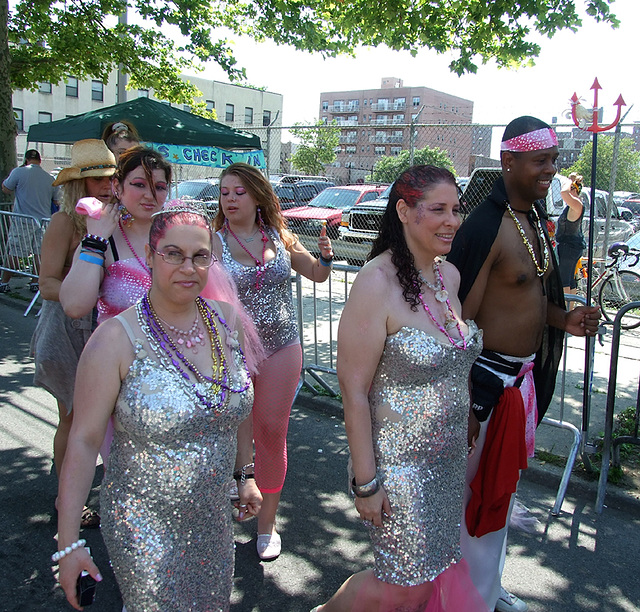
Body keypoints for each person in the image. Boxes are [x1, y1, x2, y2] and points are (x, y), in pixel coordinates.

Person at [55, 202, 261, 611]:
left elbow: (237, 404)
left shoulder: (225, 320)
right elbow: (83, 440)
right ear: (150, 256)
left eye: (200, 256)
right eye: (173, 254)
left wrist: (246, 473)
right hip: (143, 522)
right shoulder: (114, 339)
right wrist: (68, 544)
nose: (188, 267)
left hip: (212, 521)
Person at [312, 165, 485, 612]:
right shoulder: (376, 282)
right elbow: (353, 390)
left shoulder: (449, 278)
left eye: (456, 209)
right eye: (438, 210)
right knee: (401, 585)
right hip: (399, 468)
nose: (452, 220)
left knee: (430, 577)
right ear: (405, 211)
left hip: (446, 463)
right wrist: (366, 484)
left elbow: (453, 358)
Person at [447, 116, 600, 612]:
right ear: (508, 161)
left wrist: (566, 319)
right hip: (487, 385)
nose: (551, 171)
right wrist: (465, 402)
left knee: (501, 494)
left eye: (553, 161)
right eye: (541, 160)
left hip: (522, 381)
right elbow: (458, 326)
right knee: (476, 498)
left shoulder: (532, 217)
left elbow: (528, 295)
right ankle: (466, 596)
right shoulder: (486, 227)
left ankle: (487, 588)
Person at [212, 162, 334, 560]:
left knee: (270, 432)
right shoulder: (212, 243)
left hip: (283, 348)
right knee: (233, 433)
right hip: (234, 352)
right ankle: (232, 498)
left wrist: (326, 258)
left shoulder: (280, 236)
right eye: (225, 192)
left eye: (238, 192)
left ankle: (267, 524)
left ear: (257, 195)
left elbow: (316, 275)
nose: (230, 199)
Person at [31, 140, 116, 515]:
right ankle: (68, 502)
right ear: (77, 185)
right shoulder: (64, 222)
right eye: (96, 178)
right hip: (67, 328)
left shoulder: (117, 218)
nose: (106, 185)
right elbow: (45, 283)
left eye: (111, 177)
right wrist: (82, 288)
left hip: (105, 327)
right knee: (73, 416)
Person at [1, 149, 56, 293]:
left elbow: (6, 189)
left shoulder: (19, 172)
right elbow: (56, 199)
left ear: (26, 159)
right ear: (40, 161)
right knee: (40, 253)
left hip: (23, 219)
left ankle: (4, 282)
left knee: (16, 251)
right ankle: (35, 282)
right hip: (43, 221)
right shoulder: (49, 178)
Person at [556, 172, 586, 294]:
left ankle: (565, 310)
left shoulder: (577, 204)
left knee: (564, 281)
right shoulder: (573, 205)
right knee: (570, 279)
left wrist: (568, 182)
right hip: (570, 246)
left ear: (574, 190)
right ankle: (570, 309)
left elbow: (564, 193)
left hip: (569, 247)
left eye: (571, 188)